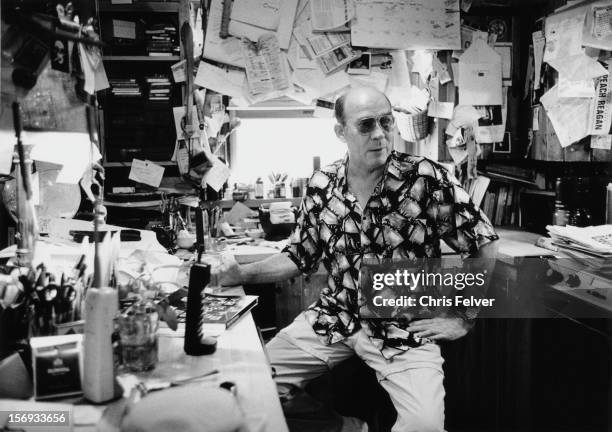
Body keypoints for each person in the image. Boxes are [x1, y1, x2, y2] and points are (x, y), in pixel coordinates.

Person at [218, 86, 499, 432]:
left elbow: (484, 244)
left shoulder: (426, 178)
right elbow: (300, 256)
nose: (380, 134)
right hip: (336, 316)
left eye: (386, 122)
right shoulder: (323, 185)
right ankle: (346, 429)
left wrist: (463, 317)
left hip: (403, 326)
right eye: (366, 125)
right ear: (341, 132)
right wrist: (238, 273)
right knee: (249, 389)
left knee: (424, 426)